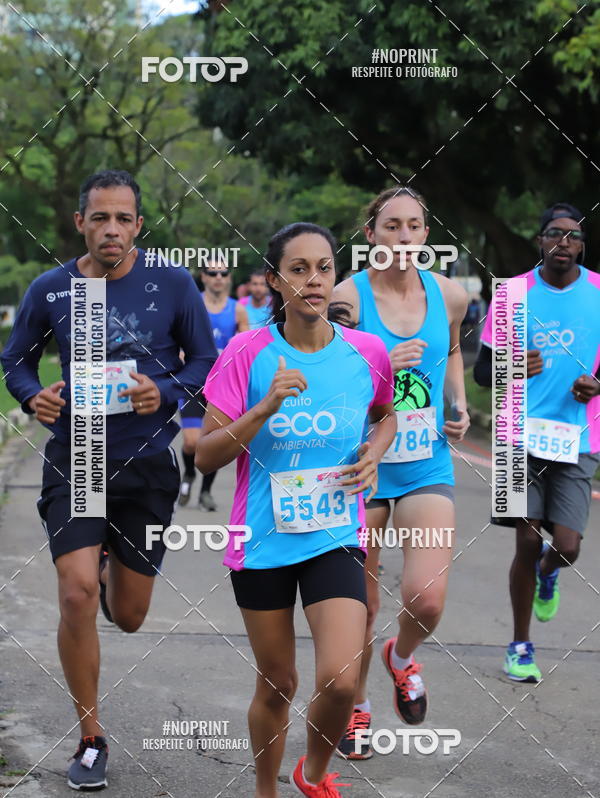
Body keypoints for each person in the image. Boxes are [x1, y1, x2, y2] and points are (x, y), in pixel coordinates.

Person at [0, 169, 217, 790]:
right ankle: (91, 737)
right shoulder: (53, 288)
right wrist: (30, 395)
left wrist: (167, 389)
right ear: (80, 223)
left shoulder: (173, 284)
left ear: (139, 225)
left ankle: (104, 565)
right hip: (79, 455)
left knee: (129, 616)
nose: (112, 229)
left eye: (124, 218)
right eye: (100, 218)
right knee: (75, 596)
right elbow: (16, 359)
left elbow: (204, 359)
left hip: (147, 462)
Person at [195, 222, 396, 798]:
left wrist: (374, 453)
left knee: (338, 680)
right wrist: (264, 406)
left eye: (324, 267)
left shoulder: (367, 351)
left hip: (334, 531)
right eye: (299, 268)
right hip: (262, 541)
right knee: (278, 683)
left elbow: (387, 414)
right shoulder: (247, 352)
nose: (313, 279)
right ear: (274, 280)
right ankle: (266, 790)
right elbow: (206, 454)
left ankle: (311, 774)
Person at [333, 186, 470, 759]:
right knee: (359, 608)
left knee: (428, 599)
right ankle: (356, 707)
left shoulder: (450, 295)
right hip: (360, 466)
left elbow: (454, 349)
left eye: (414, 227)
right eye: (392, 226)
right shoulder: (348, 297)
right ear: (371, 235)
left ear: (426, 235)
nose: (404, 238)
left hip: (422, 464)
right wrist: (382, 362)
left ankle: (402, 657)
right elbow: (328, 374)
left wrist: (458, 404)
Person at [474, 202, 600, 682]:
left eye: (573, 235)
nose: (563, 242)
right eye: (554, 233)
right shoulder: (512, 295)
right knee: (526, 538)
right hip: (515, 433)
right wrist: (510, 368)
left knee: (566, 546)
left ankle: (552, 570)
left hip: (579, 435)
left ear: (582, 246)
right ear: (540, 241)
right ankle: (520, 646)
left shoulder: (599, 294)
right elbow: (485, 371)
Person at [178, 261, 248, 510]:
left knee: (212, 441)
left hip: (222, 386)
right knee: (191, 441)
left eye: (223, 273)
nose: (218, 277)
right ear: (203, 277)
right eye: (212, 273)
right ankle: (188, 474)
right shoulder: (190, 303)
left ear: (229, 278)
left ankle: (205, 492)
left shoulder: (238, 310)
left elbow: (245, 346)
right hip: (194, 382)